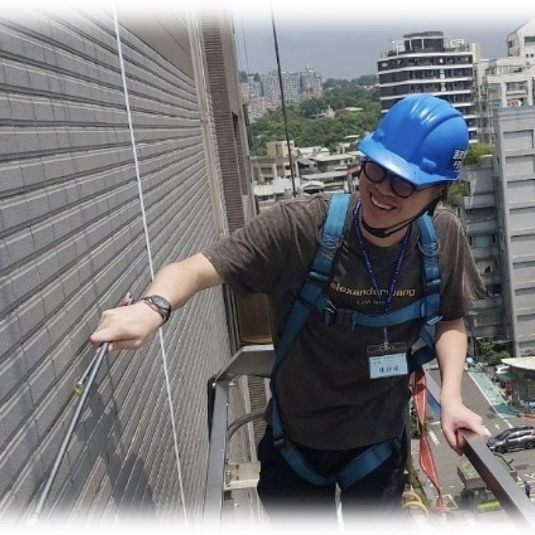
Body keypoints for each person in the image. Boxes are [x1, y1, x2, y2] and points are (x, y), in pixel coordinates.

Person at [90, 94, 490, 521]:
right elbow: (196, 269)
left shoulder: (441, 239)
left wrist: (451, 398)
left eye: (405, 183)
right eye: (376, 169)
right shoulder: (302, 226)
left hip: (378, 443)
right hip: (297, 439)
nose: (382, 191)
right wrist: (152, 308)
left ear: (438, 191)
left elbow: (450, 320)